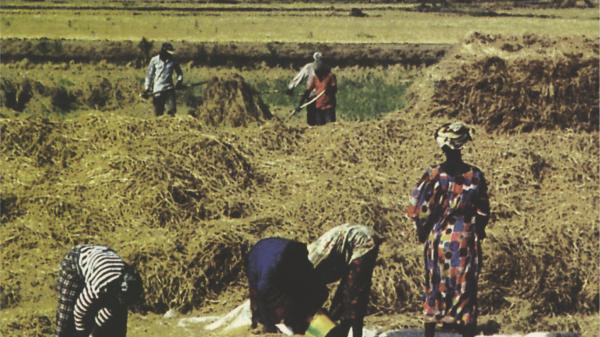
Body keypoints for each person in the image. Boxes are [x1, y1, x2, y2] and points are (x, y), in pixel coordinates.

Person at [406, 122, 490, 337]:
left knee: (435, 284)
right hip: (465, 239)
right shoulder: (476, 175)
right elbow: (483, 212)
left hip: (439, 238)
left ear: (443, 147)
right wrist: (476, 233)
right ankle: (465, 328)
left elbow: (418, 209)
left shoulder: (434, 175)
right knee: (465, 286)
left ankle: (431, 329)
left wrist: (422, 231)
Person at [307, 224, 382, 337]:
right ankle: (341, 333)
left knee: (354, 297)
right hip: (357, 242)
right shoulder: (307, 270)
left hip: (361, 241)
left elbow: (320, 295)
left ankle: (353, 334)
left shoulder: (308, 267)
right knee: (345, 296)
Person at [55, 244, 143, 337]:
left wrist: (93, 333)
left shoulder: (129, 284)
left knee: (117, 324)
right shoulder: (100, 284)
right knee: (65, 318)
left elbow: (109, 311)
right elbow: (79, 312)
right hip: (75, 262)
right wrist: (82, 334)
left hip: (104, 259)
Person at [246, 237, 327, 334]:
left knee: (312, 294)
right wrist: (268, 325)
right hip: (270, 255)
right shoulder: (265, 279)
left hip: (289, 253)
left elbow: (319, 290)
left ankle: (304, 319)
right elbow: (260, 297)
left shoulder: (297, 264)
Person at [143, 42, 184, 116]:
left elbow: (179, 73)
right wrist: (147, 89)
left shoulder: (173, 61)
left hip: (169, 89)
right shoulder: (154, 60)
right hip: (158, 90)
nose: (170, 55)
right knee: (159, 113)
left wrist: (179, 82)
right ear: (164, 52)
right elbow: (149, 75)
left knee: (171, 111)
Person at [287, 52, 323, 126]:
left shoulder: (310, 67)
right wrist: (291, 88)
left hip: (315, 94)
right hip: (317, 94)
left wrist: (291, 87)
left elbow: (299, 78)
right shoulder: (313, 67)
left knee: (313, 115)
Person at [297, 61, 337, 126]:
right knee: (320, 126)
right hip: (319, 106)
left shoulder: (330, 76)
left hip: (328, 107)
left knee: (330, 126)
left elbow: (334, 89)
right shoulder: (315, 78)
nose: (319, 77)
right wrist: (300, 104)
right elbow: (307, 91)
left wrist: (329, 90)